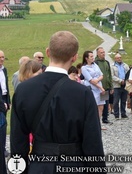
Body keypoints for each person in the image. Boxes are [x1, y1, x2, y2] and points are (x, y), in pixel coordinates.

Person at [11, 31, 105, 173]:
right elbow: (93, 143)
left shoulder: (23, 90)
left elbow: (17, 141)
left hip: (39, 166)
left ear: (48, 52)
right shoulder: (83, 93)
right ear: (74, 57)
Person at [81, 50, 107, 130]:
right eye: (91, 56)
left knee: (101, 106)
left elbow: (101, 74)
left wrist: (98, 80)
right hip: (93, 88)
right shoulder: (84, 68)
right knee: (93, 106)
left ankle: (99, 123)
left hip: (100, 85)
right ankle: (91, 124)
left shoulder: (95, 65)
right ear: (86, 58)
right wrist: (100, 87)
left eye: (93, 56)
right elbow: (90, 80)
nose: (93, 58)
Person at [95, 47, 113, 124]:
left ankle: (105, 118)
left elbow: (109, 74)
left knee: (106, 103)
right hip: (98, 87)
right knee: (99, 103)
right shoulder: (96, 62)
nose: (103, 54)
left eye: (104, 52)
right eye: (101, 52)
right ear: (98, 53)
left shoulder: (106, 62)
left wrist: (111, 86)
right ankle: (97, 118)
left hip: (106, 86)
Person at [111, 53, 129, 119]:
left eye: (120, 57)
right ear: (115, 59)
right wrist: (120, 80)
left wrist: (126, 80)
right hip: (117, 85)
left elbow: (128, 73)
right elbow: (112, 76)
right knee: (116, 101)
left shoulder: (125, 65)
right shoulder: (112, 66)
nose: (119, 59)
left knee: (124, 100)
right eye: (118, 58)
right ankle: (116, 114)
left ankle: (123, 113)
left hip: (125, 85)